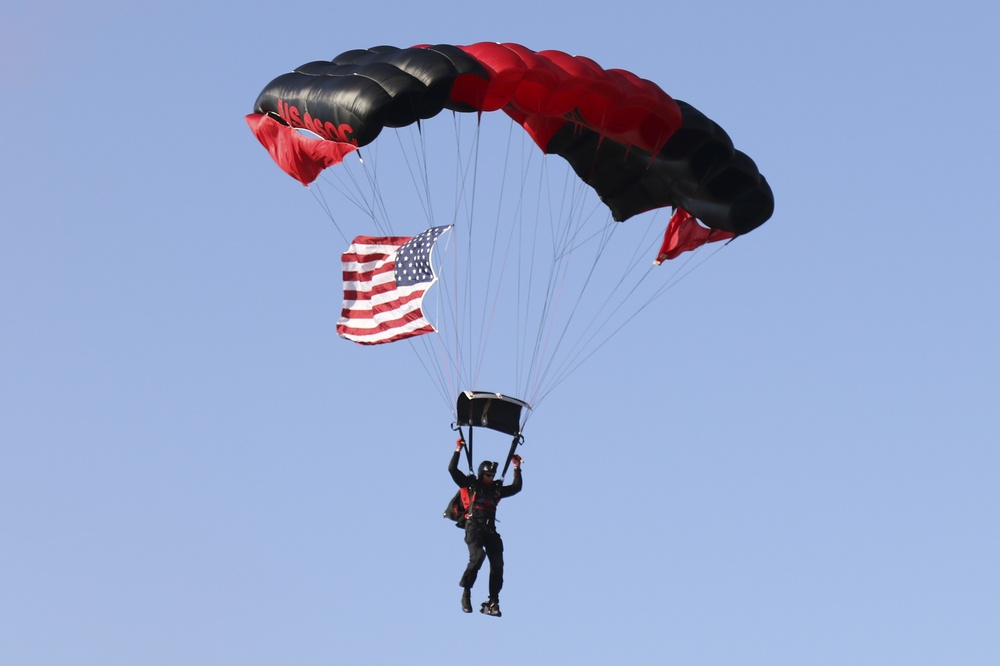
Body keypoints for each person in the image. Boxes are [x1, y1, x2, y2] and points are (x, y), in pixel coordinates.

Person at [449, 437, 522, 617]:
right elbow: (452, 470)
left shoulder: (496, 490)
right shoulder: (471, 485)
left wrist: (516, 467)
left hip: (490, 531)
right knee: (478, 556)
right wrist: (458, 450)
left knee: (497, 564)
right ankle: (466, 592)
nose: (490, 478)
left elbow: (516, 487)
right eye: (488, 475)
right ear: (482, 474)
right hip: (474, 529)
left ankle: (493, 601)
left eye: (492, 475)